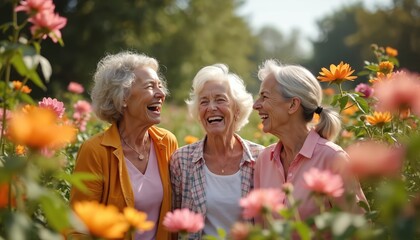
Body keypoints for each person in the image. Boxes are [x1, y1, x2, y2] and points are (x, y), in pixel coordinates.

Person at [70, 51, 178, 240]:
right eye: (150, 86)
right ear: (124, 97)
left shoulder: (167, 142)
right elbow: (78, 227)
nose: (161, 93)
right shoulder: (95, 151)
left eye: (160, 86)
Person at [252, 59, 367, 220]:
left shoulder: (333, 158)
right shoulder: (264, 160)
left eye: (264, 97)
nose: (255, 105)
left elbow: (358, 229)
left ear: (292, 105)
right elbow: (261, 228)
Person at [170, 64, 264, 239]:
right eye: (204, 101)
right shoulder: (181, 160)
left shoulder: (261, 158)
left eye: (220, 99)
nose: (211, 107)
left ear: (237, 109)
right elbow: (175, 225)